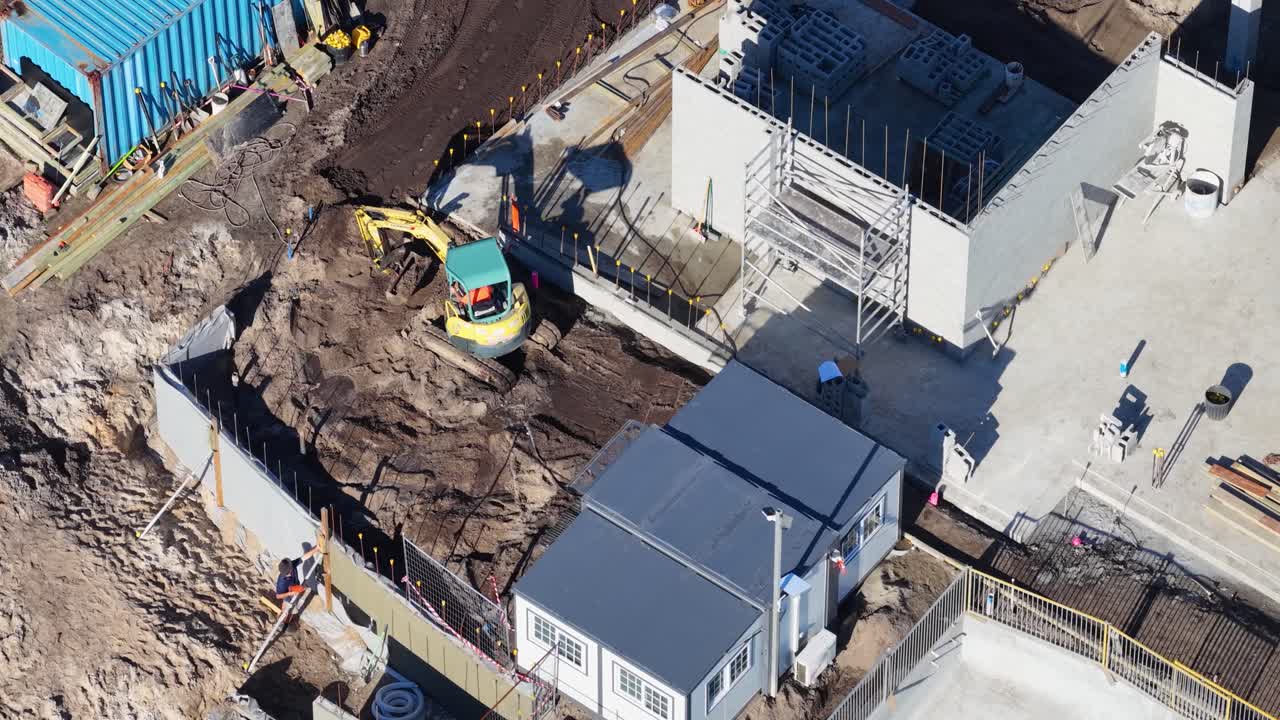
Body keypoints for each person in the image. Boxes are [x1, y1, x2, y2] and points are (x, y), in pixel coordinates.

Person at [270, 544, 323, 613]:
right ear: (288, 571)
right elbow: (278, 596)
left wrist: (316, 548)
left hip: (294, 585)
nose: (292, 564)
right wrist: (290, 593)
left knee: (300, 590)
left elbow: (304, 557)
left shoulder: (291, 565)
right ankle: (285, 621)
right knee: (288, 608)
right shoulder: (282, 582)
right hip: (288, 592)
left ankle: (290, 608)